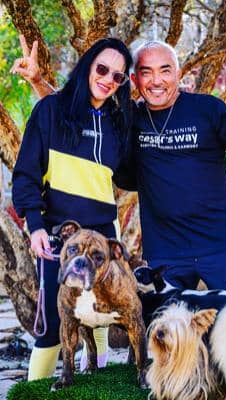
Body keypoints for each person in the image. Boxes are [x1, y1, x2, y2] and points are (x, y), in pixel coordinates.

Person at [12, 38, 226, 291]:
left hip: (220, 245)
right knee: (165, 332)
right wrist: (38, 81)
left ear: (178, 73)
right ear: (135, 80)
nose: (156, 81)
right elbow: (71, 112)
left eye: (165, 70)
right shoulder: (128, 119)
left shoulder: (208, 109)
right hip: (165, 253)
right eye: (146, 72)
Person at [11, 37, 134, 380]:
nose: (108, 79)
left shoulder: (118, 123)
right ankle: (34, 390)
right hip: (57, 236)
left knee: (101, 312)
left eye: (118, 76)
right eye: (102, 69)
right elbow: (26, 173)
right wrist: (35, 224)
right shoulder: (51, 110)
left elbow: (132, 172)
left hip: (104, 235)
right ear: (87, 66)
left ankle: (97, 376)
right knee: (54, 323)